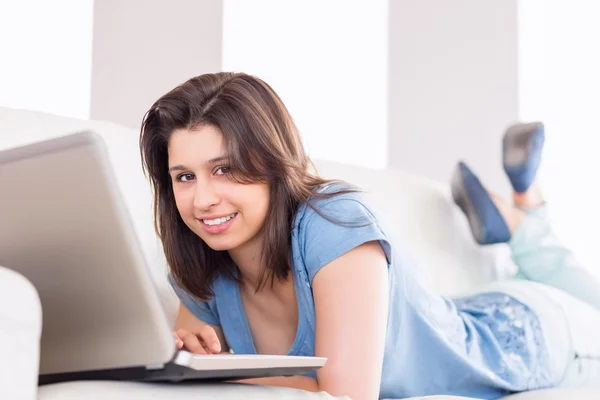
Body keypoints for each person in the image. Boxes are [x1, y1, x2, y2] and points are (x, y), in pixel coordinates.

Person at [139, 72, 600, 400]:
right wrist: (187, 354)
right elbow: (194, 359)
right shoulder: (199, 257)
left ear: (272, 163)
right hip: (468, 312)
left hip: (530, 336)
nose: (202, 200)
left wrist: (206, 375)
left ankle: (526, 216)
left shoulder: (336, 224)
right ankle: (522, 214)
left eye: (224, 169)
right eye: (184, 177)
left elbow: (345, 395)